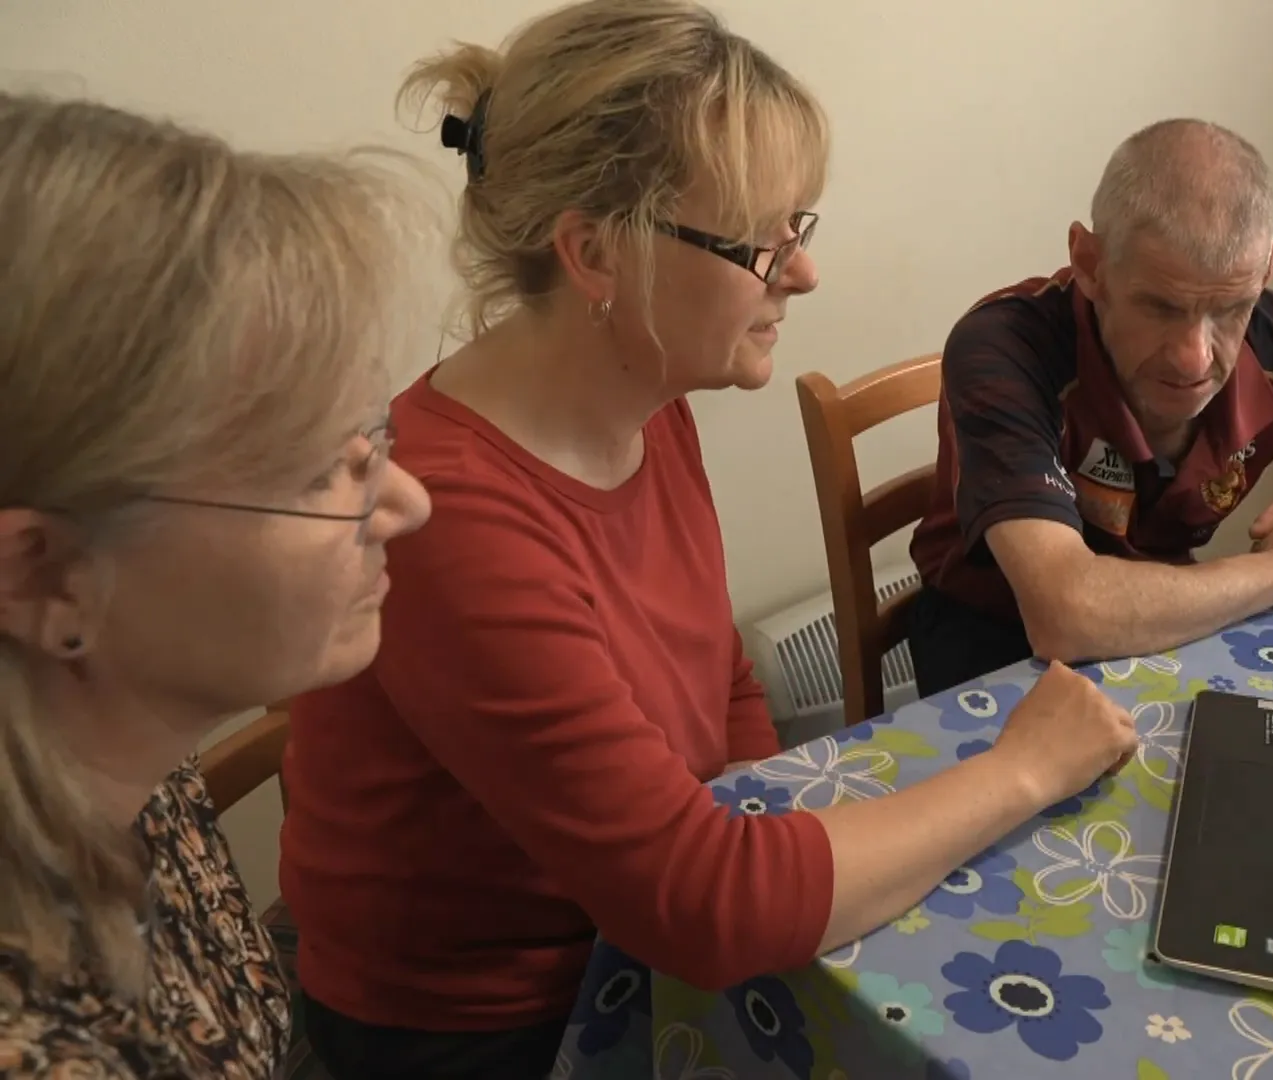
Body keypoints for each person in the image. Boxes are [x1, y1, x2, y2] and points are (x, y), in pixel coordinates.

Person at [276, 3, 1136, 1076]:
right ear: (594, 254)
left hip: (632, 936)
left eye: (800, 228)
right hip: (481, 1024)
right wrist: (1022, 771)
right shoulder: (450, 518)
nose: (803, 272)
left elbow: (715, 664)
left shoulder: (648, 401)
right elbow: (700, 908)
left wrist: (764, 812)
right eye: (762, 241)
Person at [0, 92, 431, 1077]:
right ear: (43, 573)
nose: (406, 503)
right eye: (324, 468)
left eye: (371, 436)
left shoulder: (120, 757)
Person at [907, 119, 1273, 695]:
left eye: (1229, 310)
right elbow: (1067, 613)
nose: (1195, 360)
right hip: (995, 634)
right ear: (1090, 264)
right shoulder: (1003, 346)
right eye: (1160, 308)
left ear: (1266, 268)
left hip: (1170, 621)